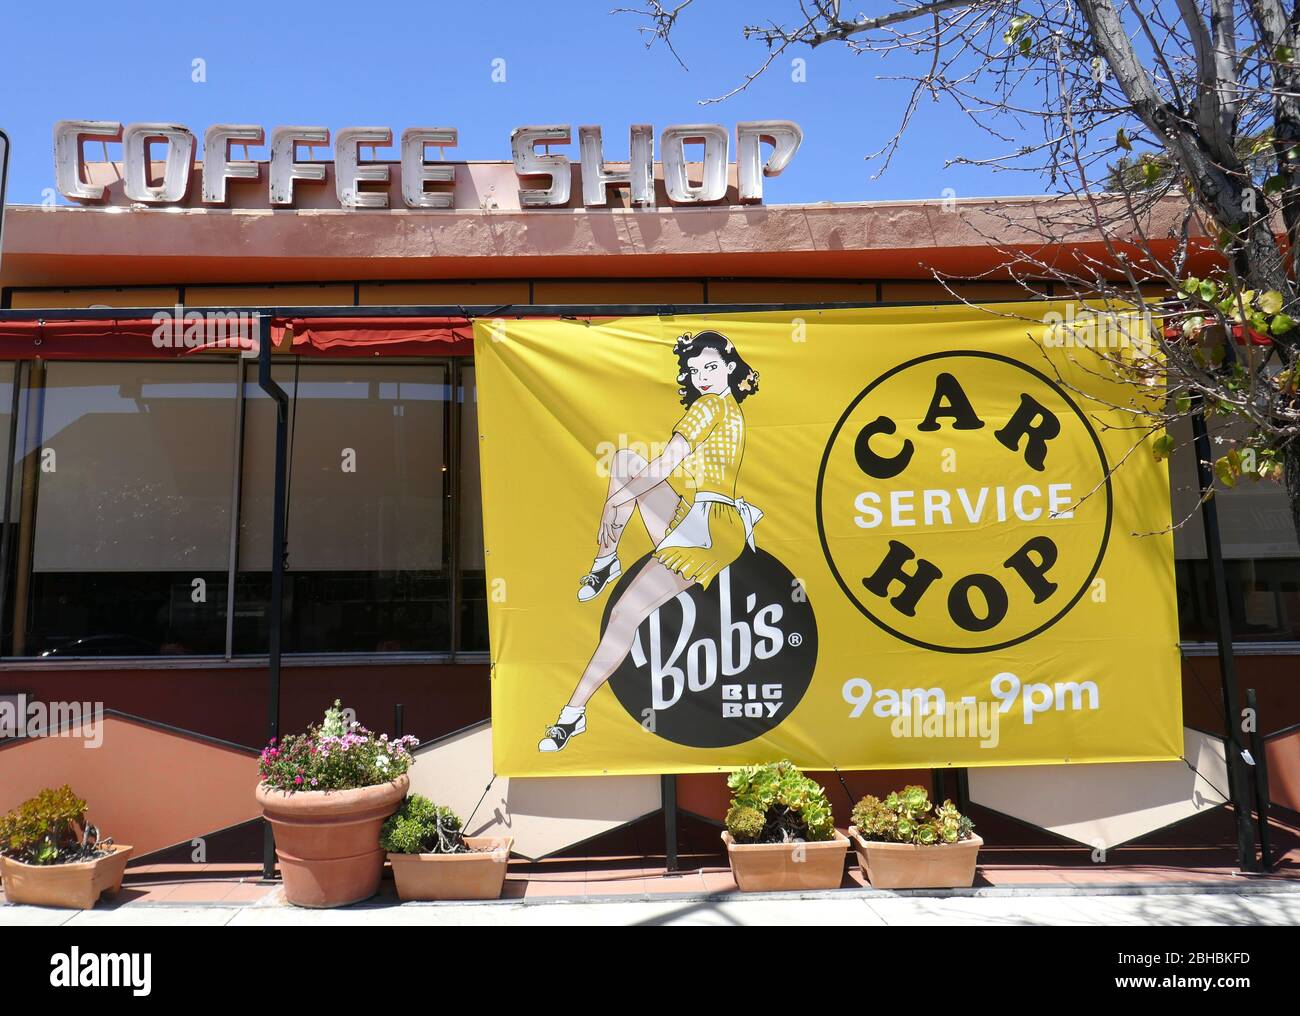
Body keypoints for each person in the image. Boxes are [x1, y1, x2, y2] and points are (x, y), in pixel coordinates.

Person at [538, 329, 763, 752]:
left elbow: (667, 463)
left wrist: (624, 495)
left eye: (711, 367)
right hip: (707, 520)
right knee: (625, 462)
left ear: (731, 368)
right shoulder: (728, 409)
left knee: (625, 615)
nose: (702, 378)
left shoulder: (711, 406)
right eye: (695, 371)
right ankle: (606, 561)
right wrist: (629, 490)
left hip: (707, 528)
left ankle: (571, 714)